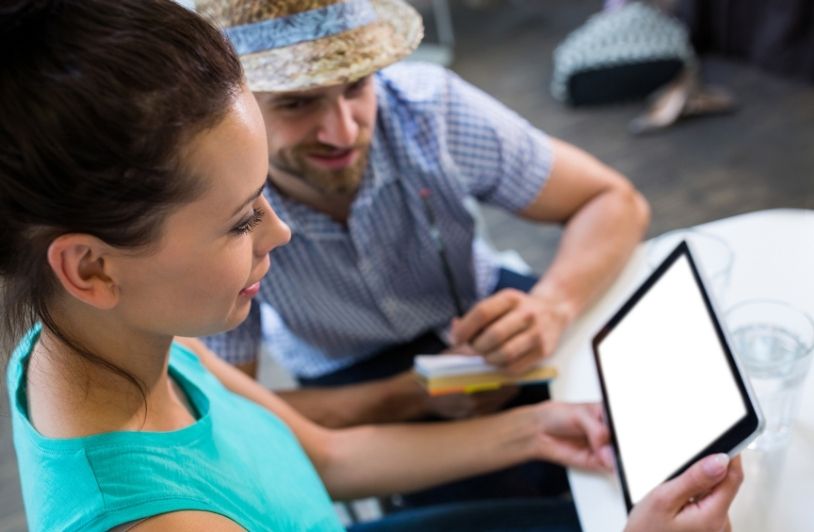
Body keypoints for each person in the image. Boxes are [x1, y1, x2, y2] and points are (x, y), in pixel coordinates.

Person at [0, 0, 741, 530]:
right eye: (238, 221)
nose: (281, 233)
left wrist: (535, 429)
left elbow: (324, 456)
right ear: (91, 268)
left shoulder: (109, 342)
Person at [197, 0, 651, 508]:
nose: (344, 132)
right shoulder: (222, 208)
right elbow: (233, 407)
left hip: (478, 306)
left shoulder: (429, 109)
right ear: (235, 110)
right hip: (350, 369)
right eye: (298, 103)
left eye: (356, 86)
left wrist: (554, 303)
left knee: (644, 418)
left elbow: (613, 201)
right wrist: (409, 394)